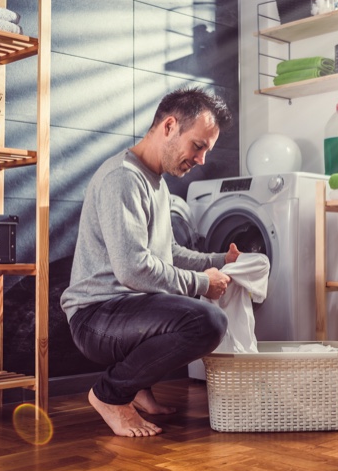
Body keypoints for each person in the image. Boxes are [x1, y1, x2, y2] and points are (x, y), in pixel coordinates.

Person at [61, 87, 239, 437]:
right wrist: (203, 283)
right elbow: (133, 269)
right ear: (169, 126)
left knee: (188, 305)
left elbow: (167, 253)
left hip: (125, 310)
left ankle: (137, 388)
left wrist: (222, 260)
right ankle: (111, 394)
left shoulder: (155, 182)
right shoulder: (123, 178)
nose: (201, 160)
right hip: (95, 316)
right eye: (198, 146)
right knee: (207, 322)